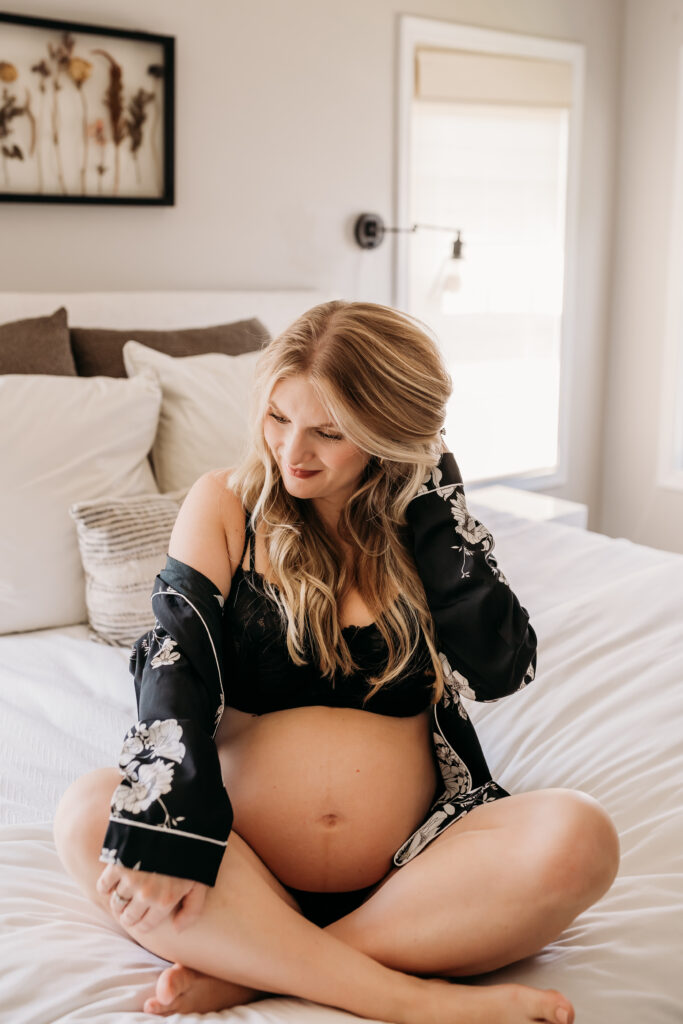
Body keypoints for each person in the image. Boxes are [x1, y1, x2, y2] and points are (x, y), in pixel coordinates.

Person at [54, 300, 620, 1024]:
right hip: (233, 862)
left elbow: (500, 667)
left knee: (580, 837)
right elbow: (175, 665)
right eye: (277, 417)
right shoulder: (226, 503)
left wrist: (435, 499)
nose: (293, 451)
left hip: (417, 876)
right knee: (87, 813)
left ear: (389, 432)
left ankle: (263, 965)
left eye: (329, 432)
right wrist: (167, 829)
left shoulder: (425, 521)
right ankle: (407, 997)